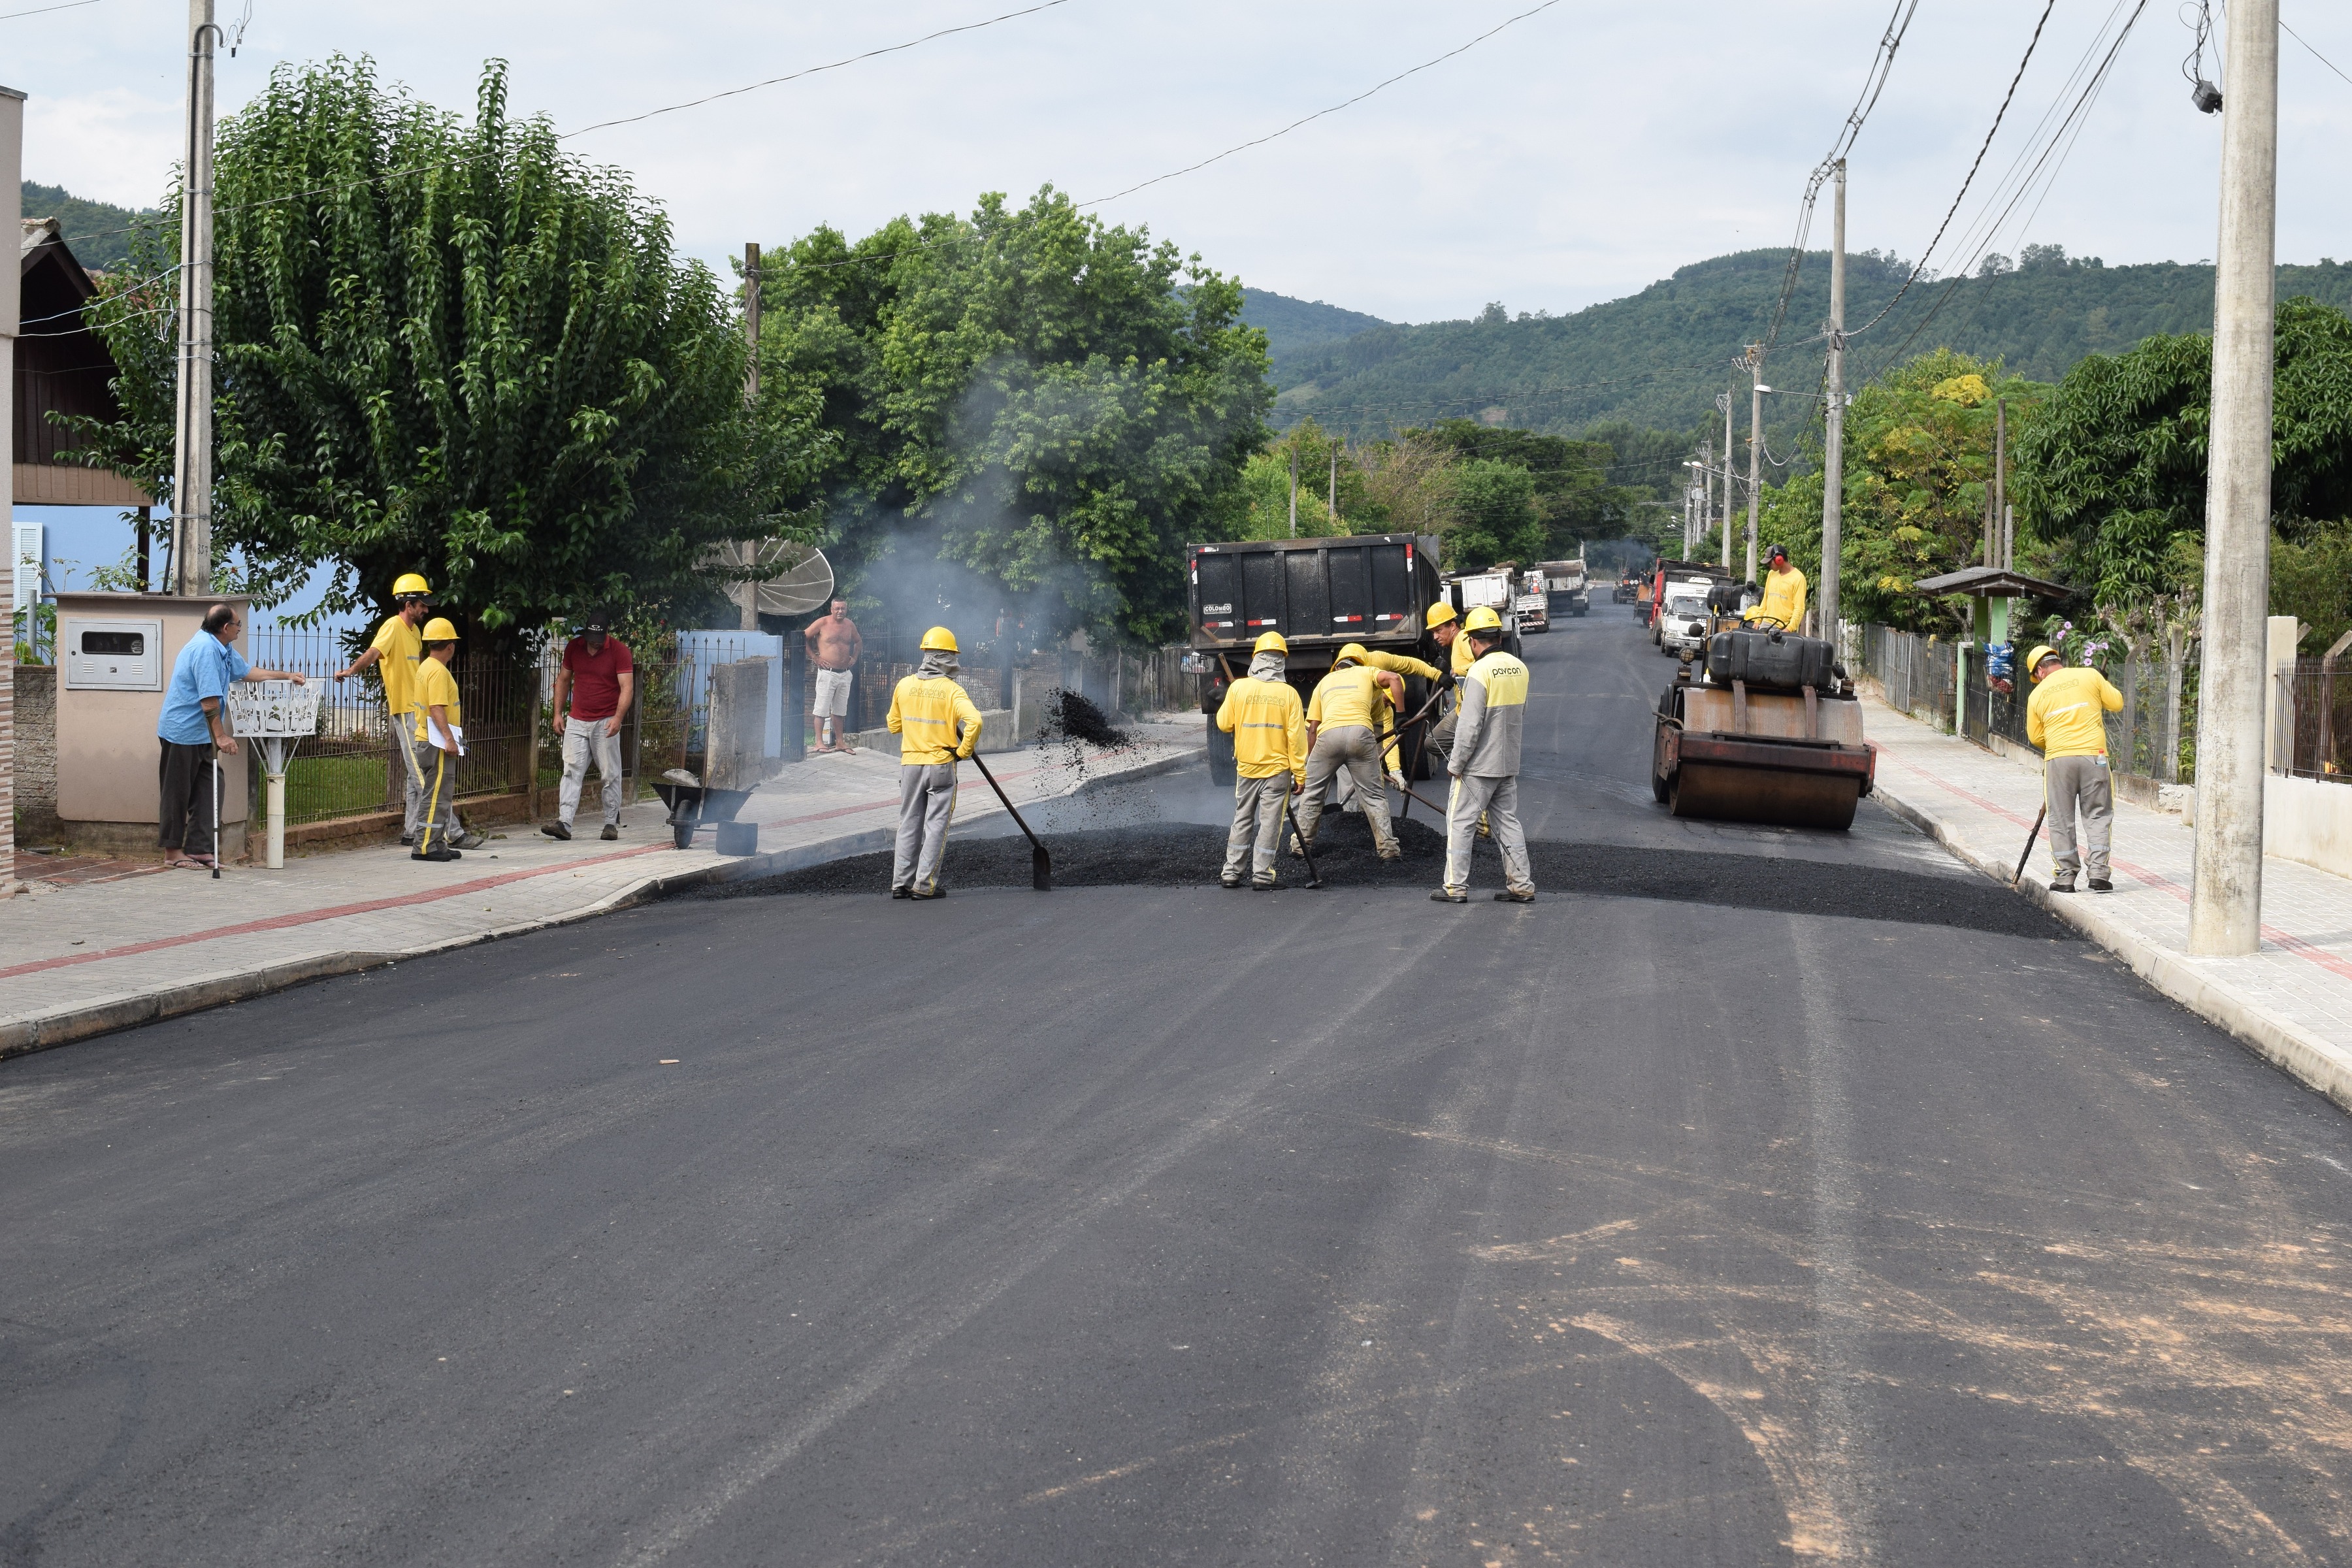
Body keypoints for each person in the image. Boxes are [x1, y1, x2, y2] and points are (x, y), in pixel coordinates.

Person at [157, 604, 308, 869]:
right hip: (182, 732)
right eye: (238, 624)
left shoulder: (223, 648)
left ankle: (200, 849)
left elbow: (247, 672)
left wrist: (286, 676)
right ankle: (173, 853)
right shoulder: (205, 650)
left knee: (211, 789)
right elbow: (208, 700)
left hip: (201, 734)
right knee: (177, 793)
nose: (241, 628)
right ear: (226, 628)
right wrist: (222, 737)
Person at [1433, 606, 1535, 904]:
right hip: (1507, 762)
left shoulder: (1479, 671)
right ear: (1498, 636)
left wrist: (1456, 764)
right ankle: (1522, 886)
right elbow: (1520, 713)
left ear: (1474, 642)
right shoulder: (1520, 668)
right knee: (1508, 824)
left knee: (1459, 822)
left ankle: (1455, 888)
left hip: (1478, 766)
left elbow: (1470, 724)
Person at [333, 572, 435, 845]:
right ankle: (446, 830)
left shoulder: (415, 632)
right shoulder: (392, 627)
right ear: (408, 603)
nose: (426, 609)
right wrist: (351, 670)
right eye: (422, 604)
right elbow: (374, 653)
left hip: (420, 709)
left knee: (417, 774)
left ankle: (412, 831)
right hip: (404, 709)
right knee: (421, 773)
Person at [887, 627, 983, 899]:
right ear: (948, 658)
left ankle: (900, 884)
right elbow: (975, 721)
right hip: (941, 764)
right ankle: (924, 886)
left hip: (911, 765)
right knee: (936, 825)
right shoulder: (952, 690)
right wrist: (963, 751)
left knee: (908, 823)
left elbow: (893, 726)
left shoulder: (904, 685)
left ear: (926, 655)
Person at [1291, 643, 1407, 861]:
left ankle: (1300, 846)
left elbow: (1313, 729)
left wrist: (1309, 766)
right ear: (1361, 662)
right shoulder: (1367, 671)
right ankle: (1388, 851)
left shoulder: (1324, 682)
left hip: (1328, 737)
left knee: (1313, 795)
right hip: (1361, 734)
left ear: (1337, 666)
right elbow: (1394, 679)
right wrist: (1401, 714)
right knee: (1373, 796)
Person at [2025, 643, 2123, 893]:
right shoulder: (2090, 675)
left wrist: (2061, 743)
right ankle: (2099, 874)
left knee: (2061, 818)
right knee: (2098, 814)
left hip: (2059, 760)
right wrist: (2102, 684)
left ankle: (2066, 878)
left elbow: (2035, 737)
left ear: (2039, 672)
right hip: (2096, 757)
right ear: (2057, 661)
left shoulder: (2036, 695)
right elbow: (2117, 703)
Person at [1215, 632, 1309, 889]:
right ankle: (1262, 876)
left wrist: (1235, 702)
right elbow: (1297, 740)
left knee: (1242, 818)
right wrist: (1300, 775)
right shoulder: (1289, 694)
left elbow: (1223, 724)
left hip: (1246, 769)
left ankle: (1231, 873)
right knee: (1270, 824)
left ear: (1255, 658)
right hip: (1277, 771)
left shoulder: (1239, 688)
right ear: (1281, 662)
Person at [542, 610, 635, 842]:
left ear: (606, 634)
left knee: (610, 774)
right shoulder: (574, 648)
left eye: (598, 641)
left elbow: (627, 688)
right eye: (590, 640)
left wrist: (618, 718)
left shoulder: (620, 651)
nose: (593, 646)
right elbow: (563, 680)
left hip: (606, 720)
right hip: (577, 719)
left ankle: (610, 824)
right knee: (571, 770)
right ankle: (564, 823)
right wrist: (558, 714)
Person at [409, 617, 475, 862]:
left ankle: (436, 843)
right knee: (435, 795)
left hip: (429, 740)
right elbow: (437, 707)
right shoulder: (437, 671)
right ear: (450, 646)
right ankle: (425, 846)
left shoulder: (426, 667)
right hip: (437, 743)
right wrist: (449, 740)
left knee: (438, 794)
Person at [805, 598, 863, 753]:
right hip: (827, 673)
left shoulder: (849, 625)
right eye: (837, 608)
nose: (840, 611)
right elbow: (804, 637)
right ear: (831, 609)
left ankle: (840, 743)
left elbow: (858, 641)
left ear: (846, 609)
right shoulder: (822, 623)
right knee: (821, 708)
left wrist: (854, 657)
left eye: (843, 608)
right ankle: (819, 743)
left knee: (840, 710)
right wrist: (815, 658)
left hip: (844, 674)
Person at [1744, 544, 1809, 632]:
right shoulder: (1771, 574)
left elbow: (1799, 609)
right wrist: (1758, 620)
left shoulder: (1798, 578)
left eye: (1770, 562)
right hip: (1766, 623)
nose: (1768, 565)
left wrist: (1789, 629)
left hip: (1783, 627)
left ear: (1779, 560)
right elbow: (1765, 600)